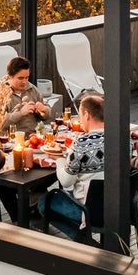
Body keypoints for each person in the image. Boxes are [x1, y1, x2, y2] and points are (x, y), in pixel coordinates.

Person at [38, 94, 105, 238]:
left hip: (88, 209)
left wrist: (59, 159)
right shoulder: (123, 138)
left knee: (44, 203)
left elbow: (66, 182)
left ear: (87, 115)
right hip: (119, 206)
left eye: (80, 116)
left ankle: (83, 240)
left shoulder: (81, 143)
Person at [2, 56, 52, 134]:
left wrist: (43, 110)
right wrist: (20, 113)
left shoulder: (32, 89)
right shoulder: (0, 94)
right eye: (20, 78)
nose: (24, 82)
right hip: (11, 140)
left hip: (33, 137)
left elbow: (48, 115)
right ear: (10, 76)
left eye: (27, 77)